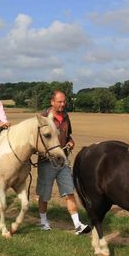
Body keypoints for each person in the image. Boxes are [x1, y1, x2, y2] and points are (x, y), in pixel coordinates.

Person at [37, 90, 91, 235]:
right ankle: (43, 222)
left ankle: (77, 225)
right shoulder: (43, 118)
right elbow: (38, 141)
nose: (63, 104)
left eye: (64, 101)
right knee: (44, 194)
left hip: (63, 161)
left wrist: (71, 142)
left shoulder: (66, 116)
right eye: (59, 101)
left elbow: (68, 136)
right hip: (46, 162)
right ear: (52, 102)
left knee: (69, 192)